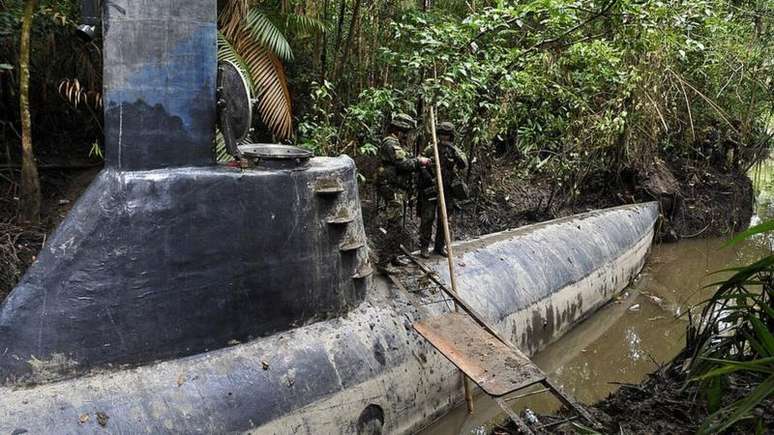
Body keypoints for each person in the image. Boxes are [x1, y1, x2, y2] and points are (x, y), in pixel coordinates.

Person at [375, 114, 431, 272]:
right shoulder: (390, 143)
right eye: (405, 132)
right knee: (395, 226)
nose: (406, 135)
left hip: (399, 190)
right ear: (398, 130)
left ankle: (393, 256)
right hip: (391, 190)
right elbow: (403, 164)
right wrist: (419, 161)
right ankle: (383, 263)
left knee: (398, 226)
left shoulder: (398, 144)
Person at [418, 122, 468, 258]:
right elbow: (420, 164)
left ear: (451, 137)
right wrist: (429, 177)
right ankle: (424, 246)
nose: (444, 138)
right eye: (442, 135)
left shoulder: (454, 150)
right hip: (431, 188)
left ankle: (439, 246)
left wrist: (452, 149)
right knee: (427, 218)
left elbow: (463, 163)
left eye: (447, 136)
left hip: (447, 190)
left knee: (444, 219)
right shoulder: (430, 149)